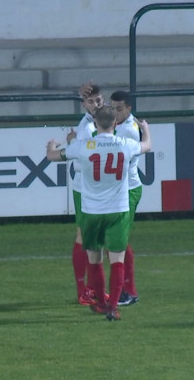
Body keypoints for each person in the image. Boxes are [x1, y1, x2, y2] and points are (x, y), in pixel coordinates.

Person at [47, 105, 152, 320]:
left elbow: (52, 156)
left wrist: (52, 145)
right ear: (115, 123)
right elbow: (147, 146)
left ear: (95, 124)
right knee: (117, 260)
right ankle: (113, 307)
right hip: (118, 211)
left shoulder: (84, 146)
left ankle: (101, 303)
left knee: (94, 260)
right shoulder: (125, 145)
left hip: (91, 211)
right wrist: (146, 130)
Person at [70, 82, 105, 306]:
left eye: (99, 100)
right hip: (86, 188)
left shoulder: (105, 120)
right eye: (91, 101)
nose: (96, 104)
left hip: (98, 188)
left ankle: (91, 288)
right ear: (83, 105)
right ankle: (84, 289)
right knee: (84, 237)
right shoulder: (85, 129)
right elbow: (82, 163)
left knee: (94, 239)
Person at [110, 90, 142, 306]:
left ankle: (128, 292)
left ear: (129, 109)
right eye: (112, 108)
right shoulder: (122, 126)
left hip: (128, 190)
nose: (114, 113)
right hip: (119, 190)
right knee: (116, 241)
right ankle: (124, 289)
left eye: (118, 109)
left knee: (119, 242)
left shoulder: (128, 131)